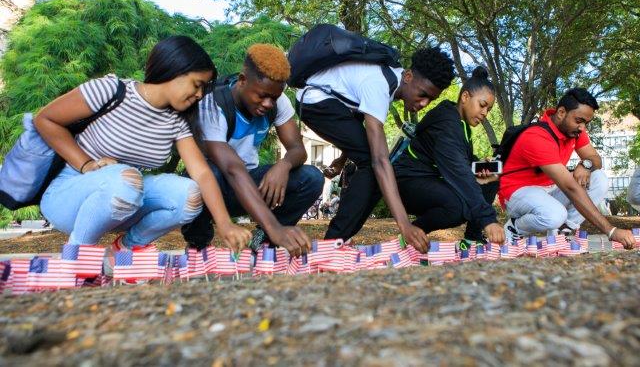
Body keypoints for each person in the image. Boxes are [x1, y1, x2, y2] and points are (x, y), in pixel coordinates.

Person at [34, 36, 252, 274]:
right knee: (126, 178)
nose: (200, 95)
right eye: (197, 84)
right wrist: (86, 164)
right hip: (70, 195)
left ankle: (123, 250)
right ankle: (76, 256)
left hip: (125, 198)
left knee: (189, 194)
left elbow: (201, 172)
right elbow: (45, 119)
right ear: (174, 70)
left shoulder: (177, 121)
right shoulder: (111, 90)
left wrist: (224, 224)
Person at [297, 47, 456, 252]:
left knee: (375, 167)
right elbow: (379, 160)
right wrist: (405, 225)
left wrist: (344, 158)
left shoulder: (389, 78)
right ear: (408, 76)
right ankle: (332, 243)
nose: (424, 103)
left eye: (430, 100)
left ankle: (338, 239)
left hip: (332, 102)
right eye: (422, 94)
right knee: (376, 167)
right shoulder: (379, 84)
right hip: (313, 98)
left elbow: (355, 116)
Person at [181, 44, 323, 257]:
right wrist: (276, 226)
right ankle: (198, 245)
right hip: (213, 188)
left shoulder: (277, 100)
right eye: (262, 96)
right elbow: (231, 168)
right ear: (242, 80)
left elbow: (297, 149)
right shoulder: (213, 104)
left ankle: (263, 242)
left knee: (311, 178)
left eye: (273, 98)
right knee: (206, 175)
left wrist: (283, 166)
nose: (268, 103)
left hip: (250, 186)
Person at [498, 88, 635, 249]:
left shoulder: (574, 131)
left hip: (548, 189)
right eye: (579, 120)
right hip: (517, 193)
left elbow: (595, 159)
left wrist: (586, 165)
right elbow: (570, 187)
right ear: (561, 112)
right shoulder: (537, 137)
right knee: (555, 215)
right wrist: (611, 230)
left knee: (600, 179)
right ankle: (515, 227)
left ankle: (563, 232)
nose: (582, 128)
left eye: (586, 123)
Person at [394, 67, 505, 248]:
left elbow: (461, 162)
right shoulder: (447, 124)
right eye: (482, 105)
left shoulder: (462, 125)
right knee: (458, 207)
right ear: (465, 97)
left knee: (492, 180)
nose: (485, 113)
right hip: (407, 181)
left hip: (431, 178)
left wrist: (479, 167)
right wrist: (488, 219)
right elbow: (459, 174)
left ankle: (472, 238)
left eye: (489, 109)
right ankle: (412, 233)